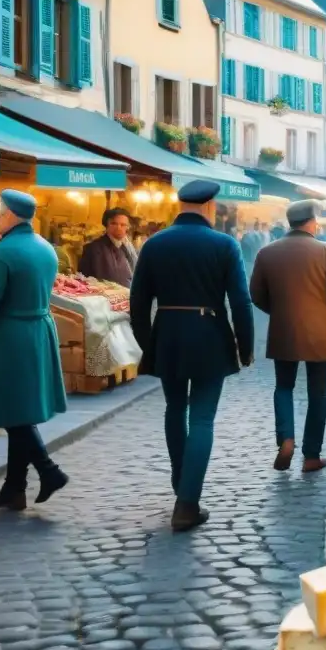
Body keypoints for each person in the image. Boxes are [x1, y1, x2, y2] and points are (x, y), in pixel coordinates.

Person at [129, 180, 254, 532]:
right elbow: (240, 302)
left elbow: (137, 303)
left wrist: (147, 343)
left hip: (167, 333)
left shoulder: (154, 244)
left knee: (174, 408)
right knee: (201, 418)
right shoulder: (224, 244)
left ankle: (179, 483)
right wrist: (245, 347)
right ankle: (187, 502)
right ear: (211, 205)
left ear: (179, 204)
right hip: (209, 334)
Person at [0, 190, 68, 511]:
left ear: (10, 215)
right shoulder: (46, 248)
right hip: (40, 329)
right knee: (20, 409)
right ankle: (14, 488)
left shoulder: (2, 253)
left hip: (11, 334)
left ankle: (48, 471)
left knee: (13, 409)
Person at [250, 200, 326, 473]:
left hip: (284, 330)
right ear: (312, 222)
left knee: (283, 386)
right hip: (322, 332)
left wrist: (280, 311)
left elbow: (256, 295)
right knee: (317, 393)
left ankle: (286, 438)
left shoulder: (266, 252)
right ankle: (311, 456)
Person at [78, 207, 137, 287]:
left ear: (127, 227)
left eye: (123, 225)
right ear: (107, 225)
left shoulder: (128, 247)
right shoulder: (93, 248)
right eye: (114, 223)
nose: (118, 228)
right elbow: (83, 278)